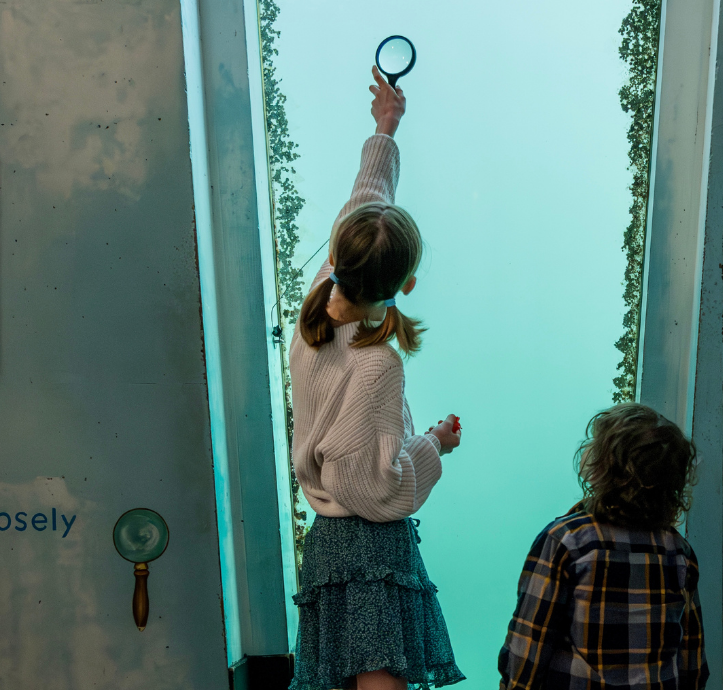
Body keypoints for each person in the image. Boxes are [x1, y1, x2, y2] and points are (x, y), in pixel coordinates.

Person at [286, 66, 466, 690]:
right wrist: (434, 446)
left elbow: (367, 201)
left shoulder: (317, 303)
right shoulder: (377, 365)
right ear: (407, 284)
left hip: (328, 547)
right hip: (367, 552)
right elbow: (374, 488)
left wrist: (384, 129)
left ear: (336, 257)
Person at [499, 403, 707, 690]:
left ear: (608, 470)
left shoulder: (566, 541)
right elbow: (692, 660)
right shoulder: (680, 552)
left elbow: (527, 650)